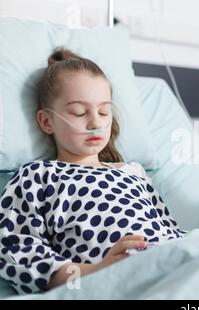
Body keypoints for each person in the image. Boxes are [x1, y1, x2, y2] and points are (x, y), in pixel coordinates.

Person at [0, 48, 184, 294]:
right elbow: (17, 252)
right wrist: (100, 269)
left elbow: (172, 232)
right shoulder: (37, 176)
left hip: (176, 265)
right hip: (119, 284)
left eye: (104, 111)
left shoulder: (133, 173)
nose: (96, 123)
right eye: (78, 112)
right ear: (46, 122)